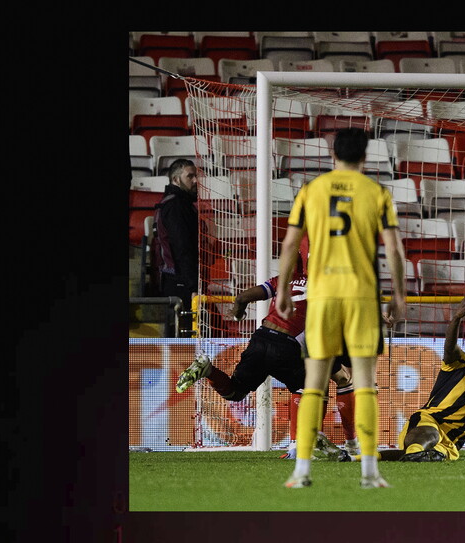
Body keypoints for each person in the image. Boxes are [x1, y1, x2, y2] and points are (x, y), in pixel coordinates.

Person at [275, 127, 407, 489]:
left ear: (333, 155)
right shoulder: (377, 193)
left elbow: (289, 246)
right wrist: (399, 294)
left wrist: (283, 290)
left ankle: (301, 472)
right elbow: (394, 250)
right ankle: (369, 472)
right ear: (365, 157)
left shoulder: (310, 191)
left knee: (314, 383)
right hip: (362, 296)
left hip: (322, 297)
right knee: (365, 384)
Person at [173, 252, 360, 457]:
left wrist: (237, 313)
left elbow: (242, 297)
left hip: (260, 339)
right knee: (314, 386)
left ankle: (207, 370)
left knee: (235, 393)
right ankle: (301, 444)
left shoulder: (283, 281)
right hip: (287, 346)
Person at [344, 291, 465, 462]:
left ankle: (356, 459)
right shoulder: (459, 363)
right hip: (427, 422)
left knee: (427, 453)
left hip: (451, 442)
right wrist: (456, 318)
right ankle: (417, 453)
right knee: (428, 436)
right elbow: (449, 347)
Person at [153, 158, 199, 336]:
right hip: (180, 282)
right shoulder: (176, 206)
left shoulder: (175, 203)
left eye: (196, 176)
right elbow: (182, 248)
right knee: (189, 338)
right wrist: (193, 286)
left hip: (178, 280)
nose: (195, 180)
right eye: (190, 176)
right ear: (176, 179)